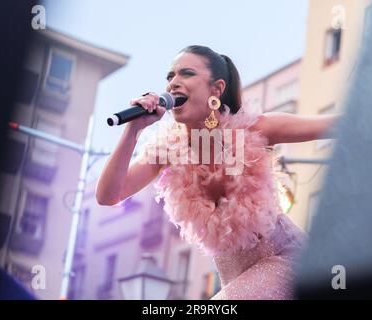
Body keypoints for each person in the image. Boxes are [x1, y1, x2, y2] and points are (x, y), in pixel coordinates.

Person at [96, 45, 338, 300]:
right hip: (234, 280)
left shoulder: (254, 129)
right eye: (170, 77)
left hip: (287, 263)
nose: (173, 84)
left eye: (186, 74)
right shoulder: (167, 150)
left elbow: (337, 124)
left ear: (217, 89)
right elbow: (109, 196)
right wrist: (133, 130)